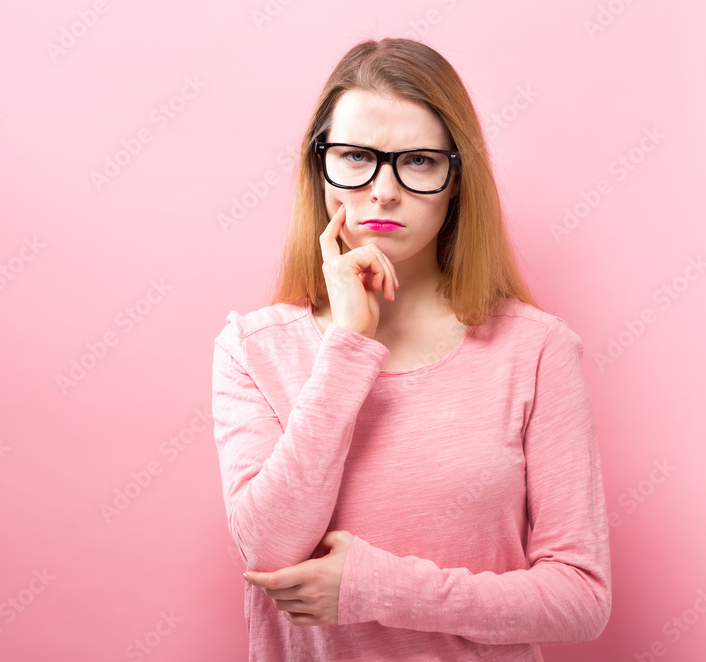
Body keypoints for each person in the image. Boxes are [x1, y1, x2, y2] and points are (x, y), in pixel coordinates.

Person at [210, 38, 611, 661]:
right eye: (354, 157)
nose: (384, 191)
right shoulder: (252, 349)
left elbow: (581, 597)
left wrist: (378, 588)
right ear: (319, 168)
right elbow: (267, 548)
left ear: (458, 178)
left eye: (419, 162)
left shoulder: (537, 351)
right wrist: (346, 346)